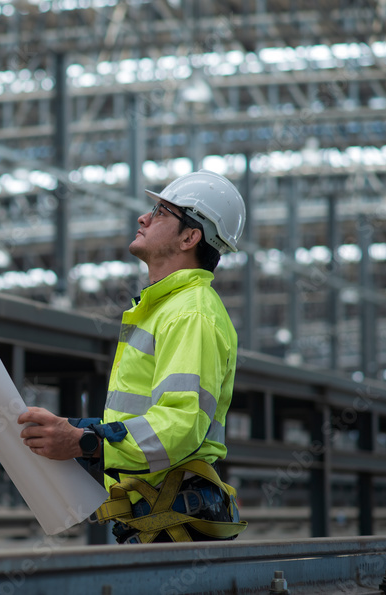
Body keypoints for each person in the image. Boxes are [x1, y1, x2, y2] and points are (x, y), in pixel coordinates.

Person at [18, 169, 249, 543]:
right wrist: (74, 427)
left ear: (190, 236)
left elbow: (180, 423)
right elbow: (145, 417)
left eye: (160, 211)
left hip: (174, 525)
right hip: (162, 519)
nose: (143, 218)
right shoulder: (167, 308)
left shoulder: (191, 313)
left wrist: (85, 443)